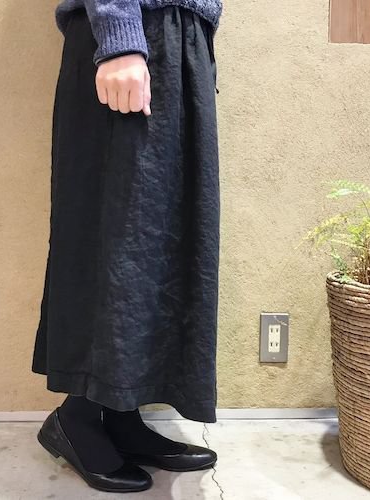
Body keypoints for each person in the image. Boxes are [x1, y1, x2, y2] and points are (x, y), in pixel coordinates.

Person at [32, 0, 222, 493]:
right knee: (115, 237)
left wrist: (193, 47)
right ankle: (76, 418)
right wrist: (119, 38)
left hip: (172, 45)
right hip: (132, 39)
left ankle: (119, 414)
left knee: (156, 244)